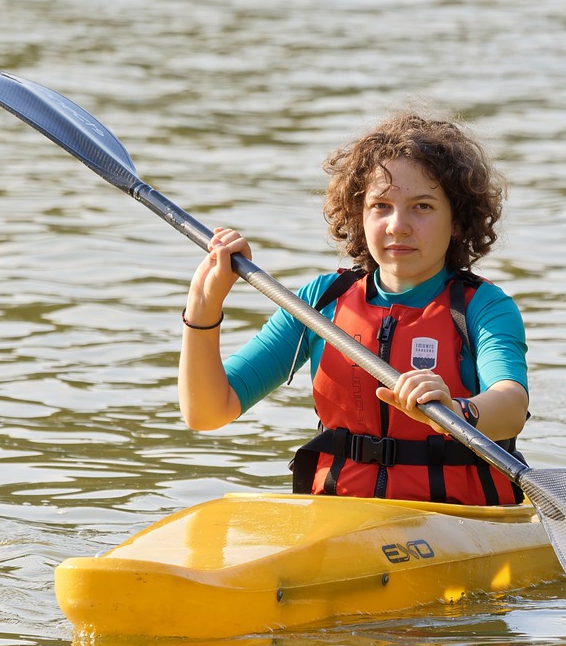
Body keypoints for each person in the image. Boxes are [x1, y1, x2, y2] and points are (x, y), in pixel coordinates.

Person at [178, 111, 529, 505]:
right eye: (381, 205)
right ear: (358, 215)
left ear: (458, 220)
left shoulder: (482, 307)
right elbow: (207, 413)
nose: (398, 225)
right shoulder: (319, 302)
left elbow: (512, 403)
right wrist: (203, 309)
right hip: (341, 520)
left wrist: (458, 410)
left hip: (459, 523)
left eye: (423, 206)